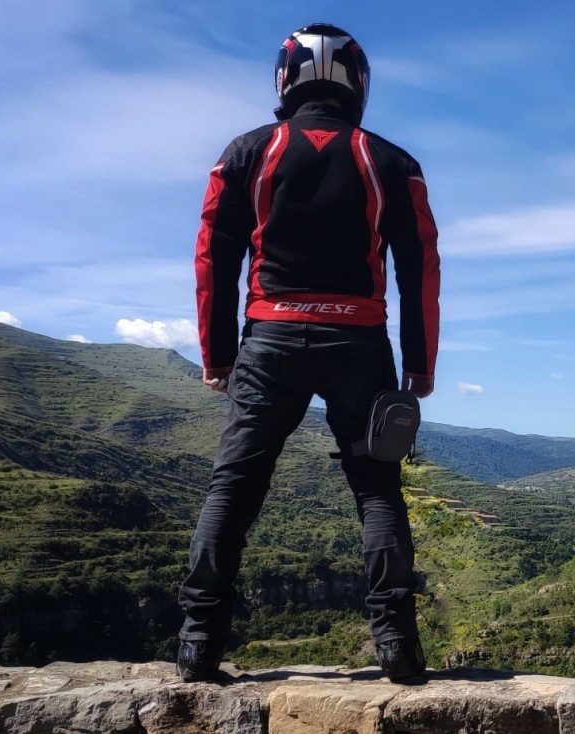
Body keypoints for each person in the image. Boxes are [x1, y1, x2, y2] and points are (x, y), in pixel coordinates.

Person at [177, 22, 440, 683]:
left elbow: (214, 256)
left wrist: (218, 353)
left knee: (233, 488)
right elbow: (420, 268)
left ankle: (198, 643)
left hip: (268, 340)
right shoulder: (392, 163)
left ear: (285, 79)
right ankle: (397, 646)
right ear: (358, 85)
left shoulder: (245, 155)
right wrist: (420, 364)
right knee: (377, 492)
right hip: (360, 344)